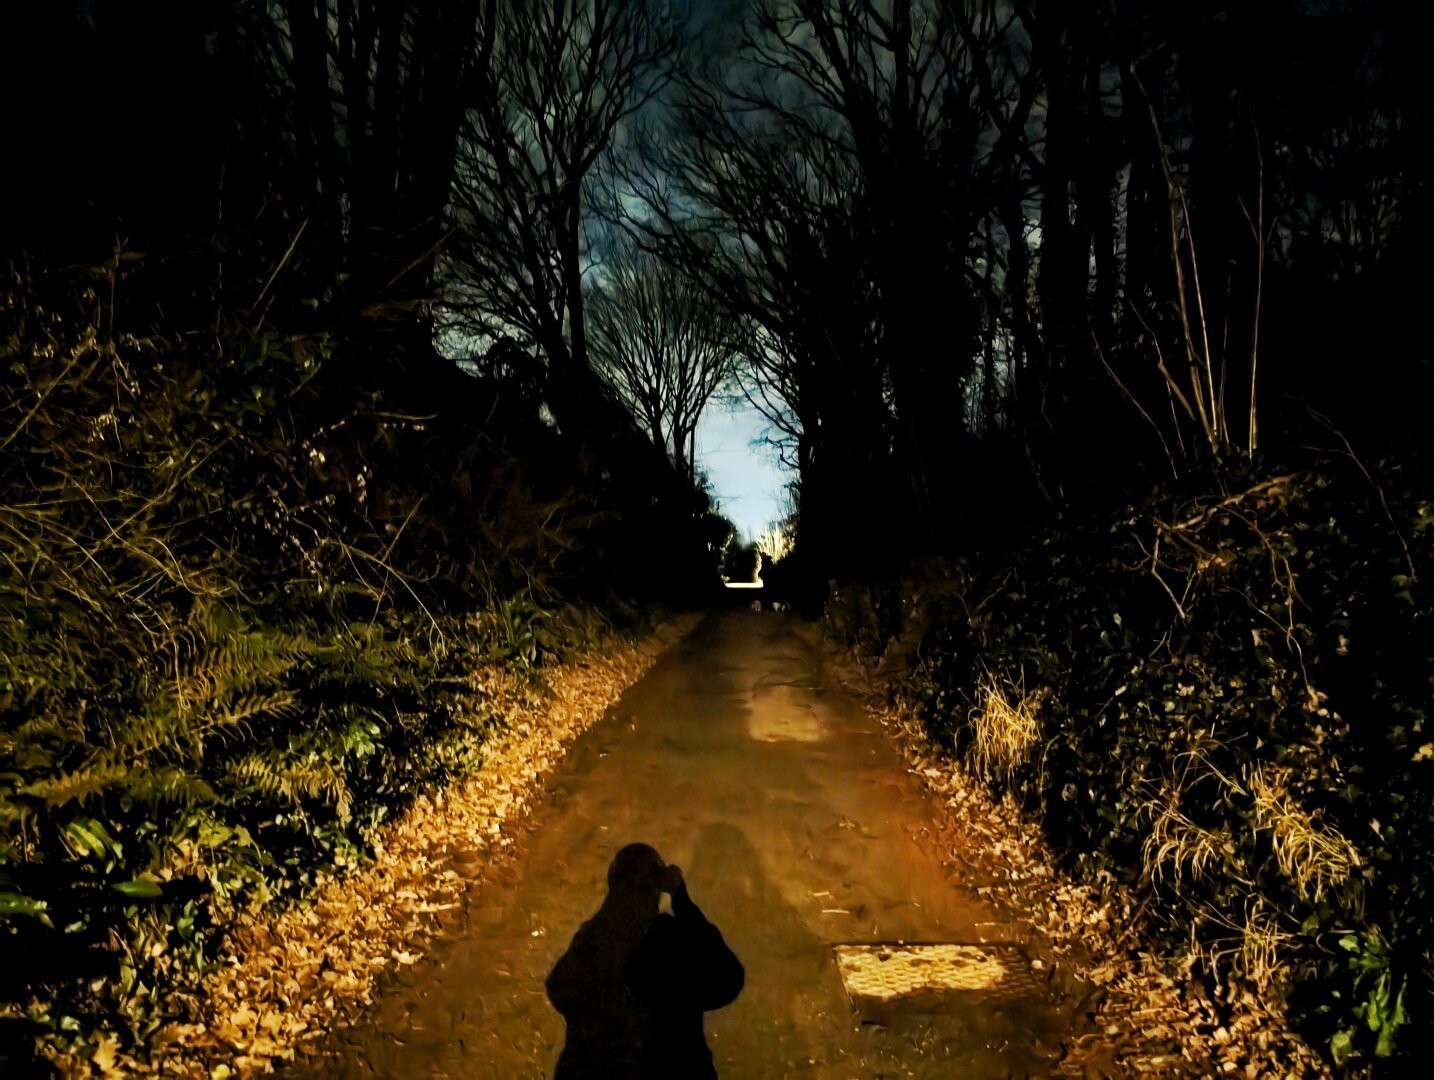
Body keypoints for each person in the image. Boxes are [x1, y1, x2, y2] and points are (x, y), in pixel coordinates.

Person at [547, 843, 744, 1078]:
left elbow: (559, 988)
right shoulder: (669, 940)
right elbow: (728, 978)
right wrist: (681, 900)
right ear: (657, 887)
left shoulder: (595, 939)